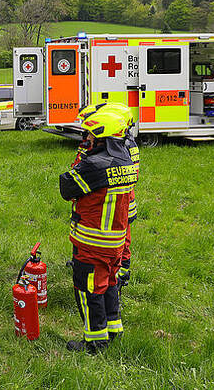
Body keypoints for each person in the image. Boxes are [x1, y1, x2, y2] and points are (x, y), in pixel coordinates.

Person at [59, 107, 137, 353]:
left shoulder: (94, 164)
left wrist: (84, 156)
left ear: (103, 137)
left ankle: (95, 342)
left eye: (91, 135)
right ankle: (113, 330)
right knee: (110, 284)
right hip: (115, 241)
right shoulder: (126, 161)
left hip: (92, 242)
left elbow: (67, 187)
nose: (87, 138)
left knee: (88, 290)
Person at [75, 103, 140, 290]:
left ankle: (120, 275)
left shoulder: (119, 149)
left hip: (118, 203)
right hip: (119, 201)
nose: (87, 134)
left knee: (122, 242)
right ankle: (114, 277)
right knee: (119, 241)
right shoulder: (119, 146)